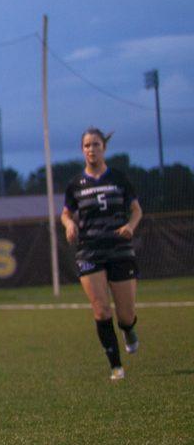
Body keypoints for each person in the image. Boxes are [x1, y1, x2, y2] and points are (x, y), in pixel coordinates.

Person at [60, 127, 143, 381]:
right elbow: (65, 213)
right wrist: (70, 224)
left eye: (96, 144)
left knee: (125, 315)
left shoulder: (118, 178)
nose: (91, 149)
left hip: (119, 249)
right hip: (89, 250)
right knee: (100, 310)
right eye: (87, 145)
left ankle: (128, 329)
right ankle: (115, 366)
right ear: (82, 150)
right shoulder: (75, 185)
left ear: (103, 148)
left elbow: (137, 210)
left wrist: (130, 226)